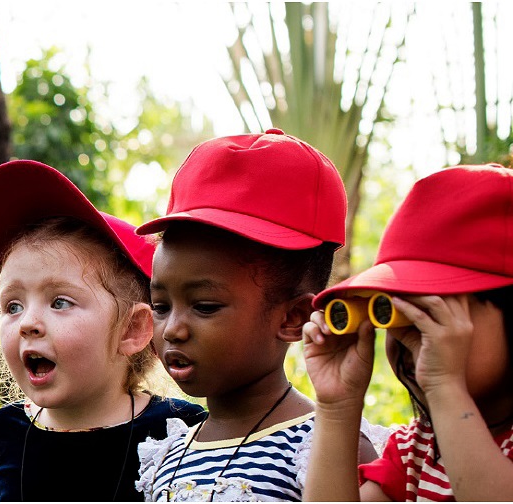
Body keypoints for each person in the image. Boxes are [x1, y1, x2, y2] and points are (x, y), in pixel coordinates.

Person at [134, 129, 379, 501]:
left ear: (293, 318)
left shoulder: (325, 448)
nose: (173, 330)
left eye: (204, 306)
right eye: (162, 306)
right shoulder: (167, 454)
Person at [0, 160, 205, 501]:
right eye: (13, 306)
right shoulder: (6, 429)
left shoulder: (182, 431)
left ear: (132, 330)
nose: (28, 322)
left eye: (60, 302)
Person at [301, 164, 513, 501]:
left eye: (429, 312)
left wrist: (445, 385)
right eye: (392, 312)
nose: (409, 337)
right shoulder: (414, 452)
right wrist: (337, 407)